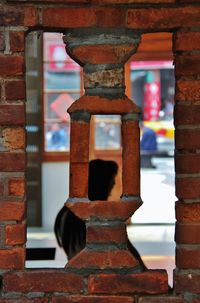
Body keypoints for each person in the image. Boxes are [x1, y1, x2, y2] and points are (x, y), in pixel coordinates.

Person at [54, 159, 147, 271]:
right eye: (111, 179)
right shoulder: (102, 218)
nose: (113, 184)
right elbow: (132, 257)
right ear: (101, 183)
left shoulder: (67, 214)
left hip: (79, 278)